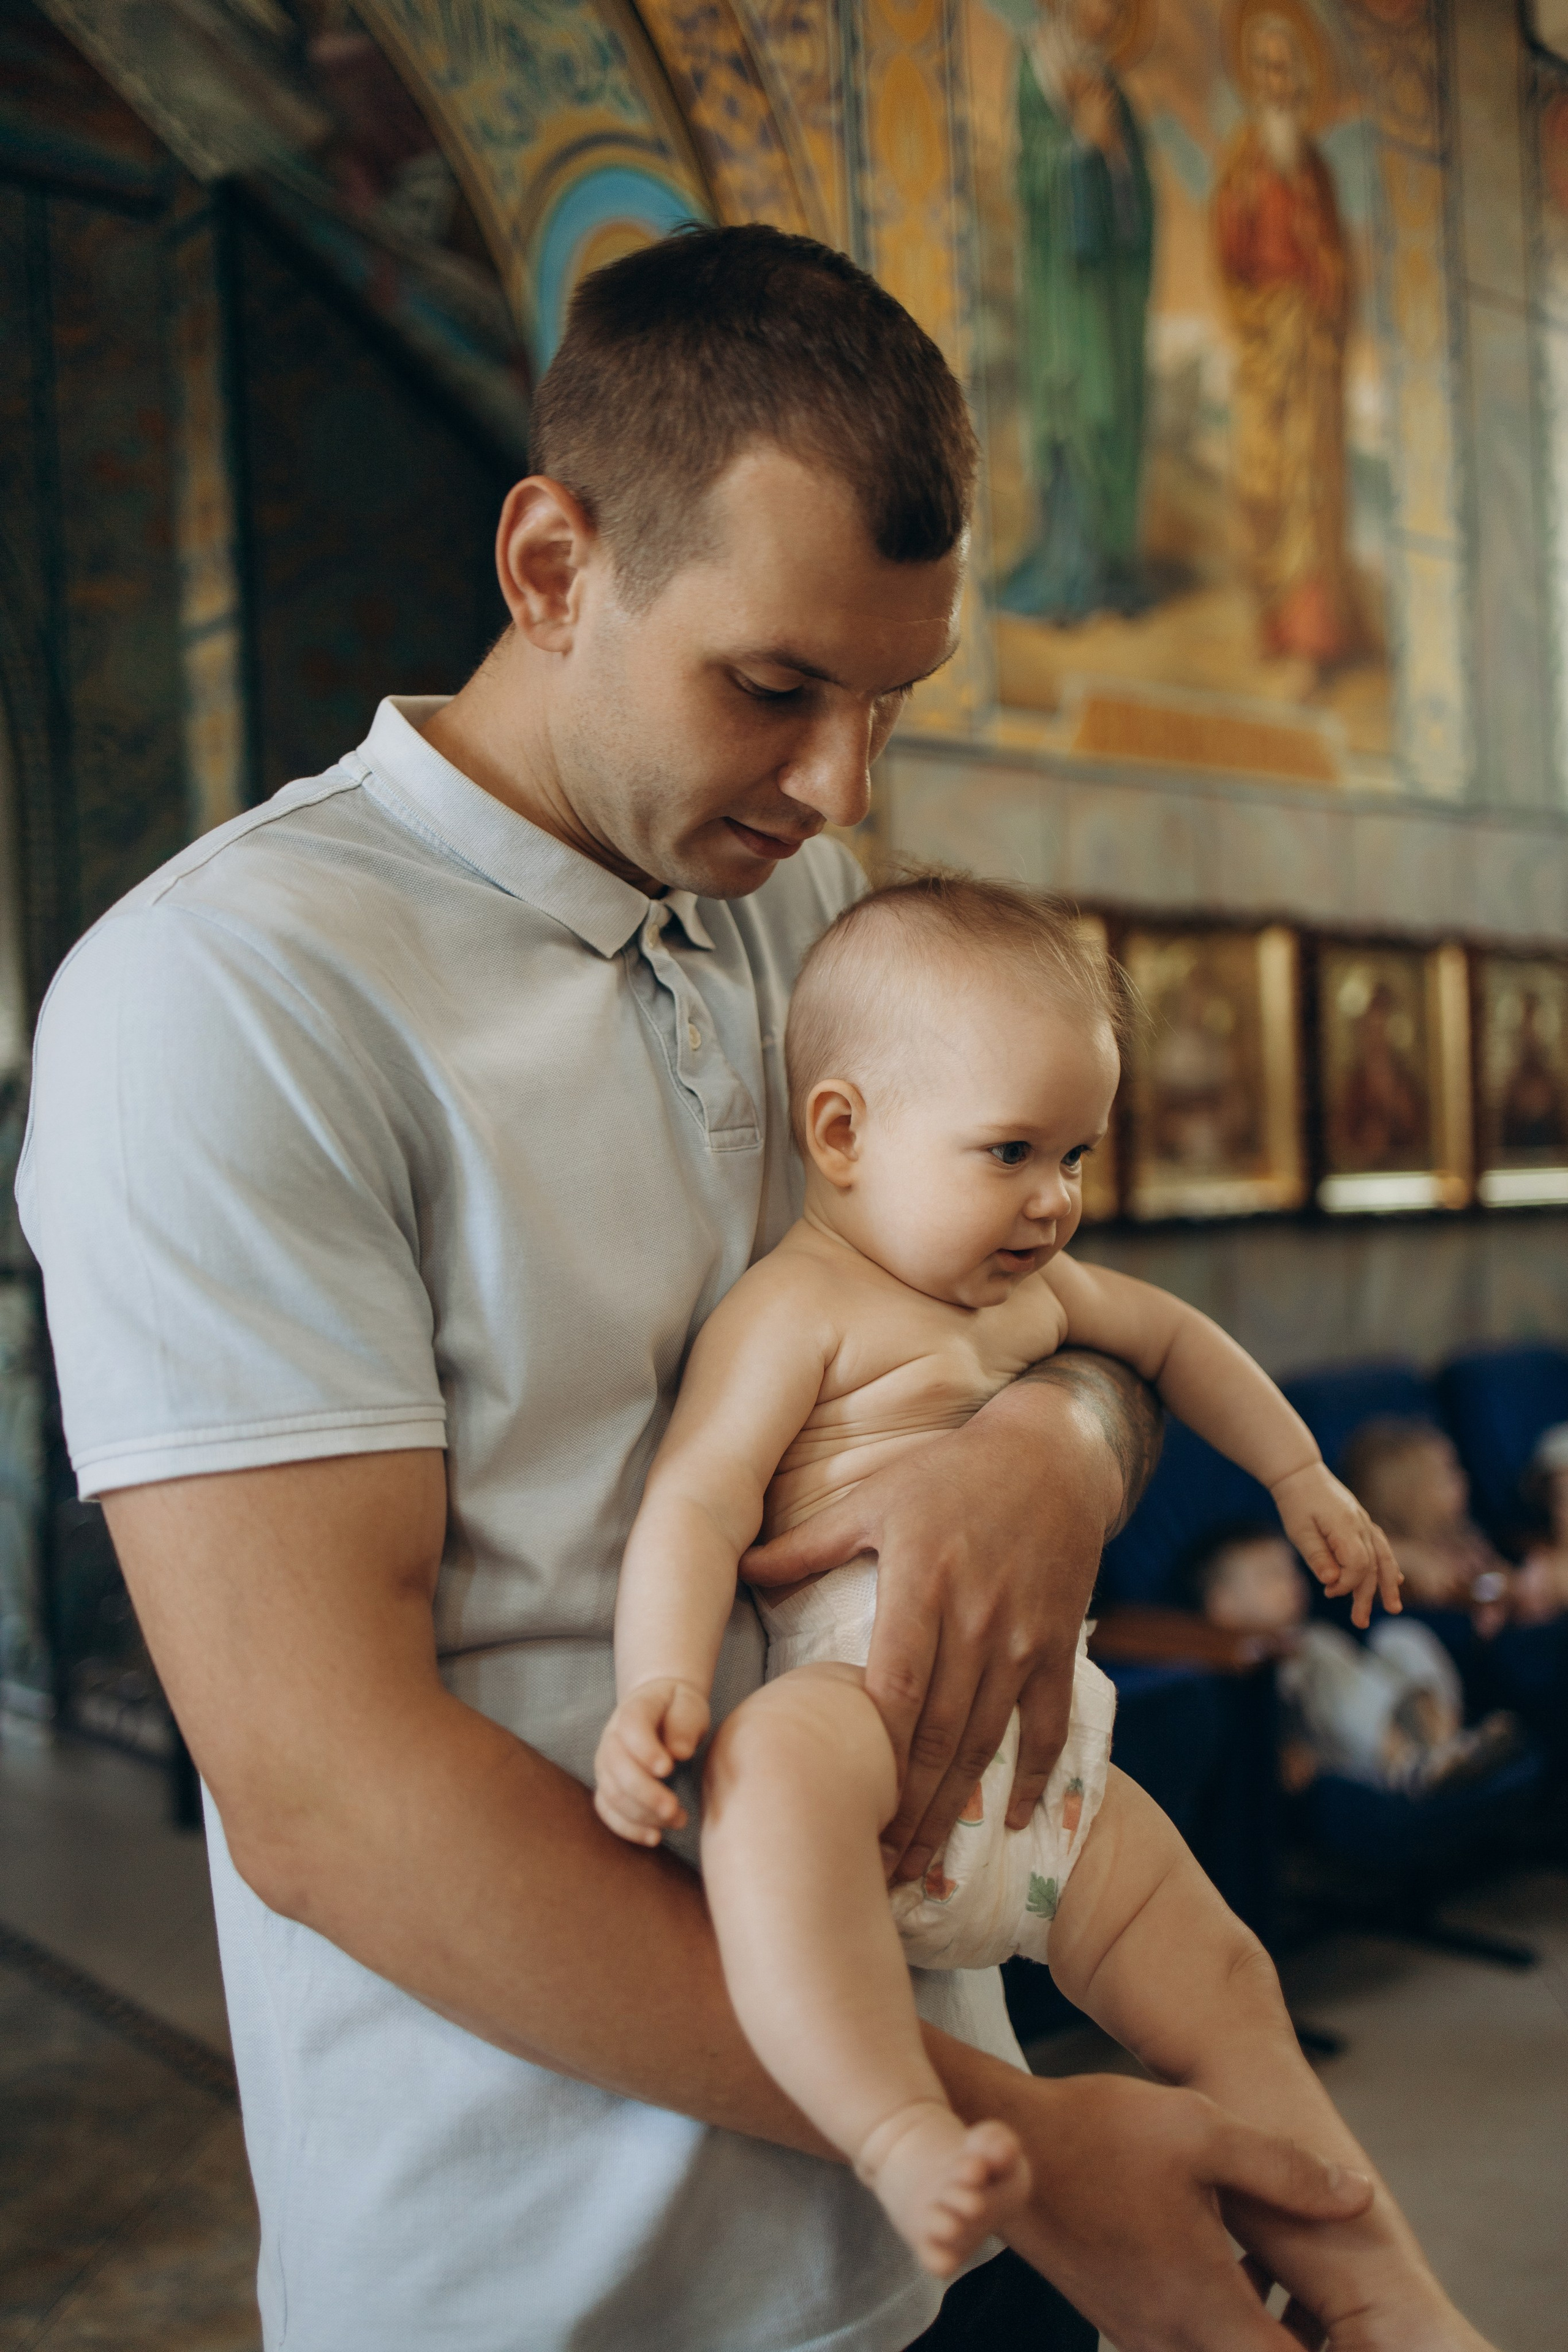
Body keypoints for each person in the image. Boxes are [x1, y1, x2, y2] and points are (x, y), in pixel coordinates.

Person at [13, 223, 1385, 2352]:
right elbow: (325, 1798)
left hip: (902, 2227)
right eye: (774, 686)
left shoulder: (809, 911)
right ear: (555, 566)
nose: (843, 786)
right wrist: (1006, 2142)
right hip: (537, 2272)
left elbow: (1041, 1293)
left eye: (888, 702)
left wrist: (1057, 1448)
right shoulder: (226, 1001)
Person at [590, 875, 1499, 2352]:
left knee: (1219, 1971)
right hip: (858, 1701)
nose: (1055, 1197)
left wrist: (1299, 1472)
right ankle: (896, 2126)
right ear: (840, 1132)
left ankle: (1371, 2280)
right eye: (1010, 1150)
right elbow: (693, 1500)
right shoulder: (795, 1309)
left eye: (1073, 1151)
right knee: (760, 1790)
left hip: (1049, 1752)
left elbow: (1179, 1340)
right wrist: (656, 1686)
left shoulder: (1038, 1292)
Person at [1000, 0, 1155, 622]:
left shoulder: (1110, 86)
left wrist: (1114, 154)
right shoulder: (1035, 69)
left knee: (1110, 411)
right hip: (1061, 288)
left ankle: (1108, 566)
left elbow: (1137, 196)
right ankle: (1067, 566)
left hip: (1108, 295)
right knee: (1070, 410)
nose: (1111, 11)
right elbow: (1029, 175)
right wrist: (1077, 149)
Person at [1214, 7, 1357, 670]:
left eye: (1285, 67)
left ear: (1300, 79)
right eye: (1264, 67)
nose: (1275, 79)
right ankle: (1274, 621)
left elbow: (1337, 264)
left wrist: (1317, 254)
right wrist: (1241, 214)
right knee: (1262, 479)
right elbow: (1228, 252)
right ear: (1252, 77)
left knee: (1305, 480)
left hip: (1305, 343)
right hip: (1260, 336)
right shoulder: (1242, 160)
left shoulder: (1315, 169)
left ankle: (1313, 630)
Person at [1188, 1521, 1520, 1797]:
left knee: (1397, 1635)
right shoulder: (1257, 1666)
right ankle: (1412, 1768)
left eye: (1290, 1569)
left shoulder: (1313, 1632)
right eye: (1270, 1575)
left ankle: (1447, 1748)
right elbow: (1280, 1724)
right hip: (1355, 1754)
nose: (1292, 1581)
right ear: (1224, 1606)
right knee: (1314, 1649)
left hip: (1400, 1718)